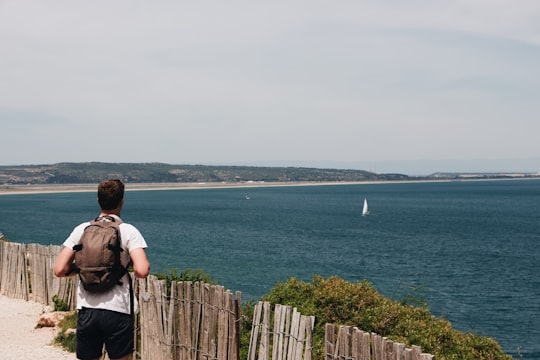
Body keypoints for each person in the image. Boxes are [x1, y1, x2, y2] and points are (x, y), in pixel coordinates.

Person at [54, 179, 150, 360]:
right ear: (122, 201)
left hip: (87, 308)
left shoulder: (82, 229)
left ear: (98, 201)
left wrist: (81, 269)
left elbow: (59, 269)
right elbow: (142, 270)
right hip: (118, 309)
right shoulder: (128, 231)